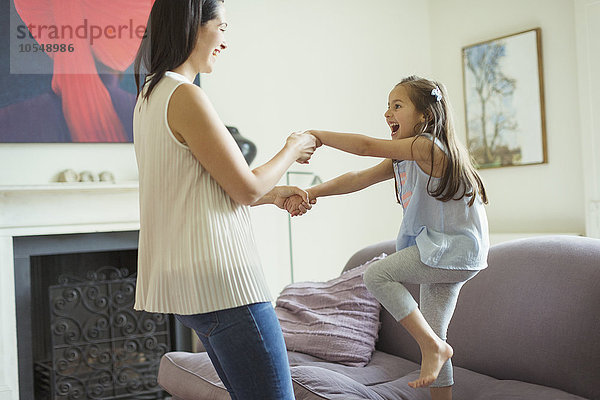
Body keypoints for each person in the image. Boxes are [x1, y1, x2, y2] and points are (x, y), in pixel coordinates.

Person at [132, 1, 316, 399]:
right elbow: (244, 187)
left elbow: (195, 186)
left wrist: (272, 195)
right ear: (194, 28)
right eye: (222, 27)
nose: (226, 42)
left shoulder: (150, 97)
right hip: (226, 286)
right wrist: (292, 147)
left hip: (191, 286)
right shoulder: (186, 96)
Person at [285, 76, 489, 400]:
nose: (387, 113)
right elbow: (357, 178)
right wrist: (313, 192)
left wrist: (318, 136)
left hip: (449, 250)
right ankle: (435, 353)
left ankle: (432, 347)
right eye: (387, 106)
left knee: (377, 274)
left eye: (397, 105)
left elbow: (365, 147)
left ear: (424, 116)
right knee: (435, 336)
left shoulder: (427, 147)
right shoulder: (403, 158)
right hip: (450, 253)